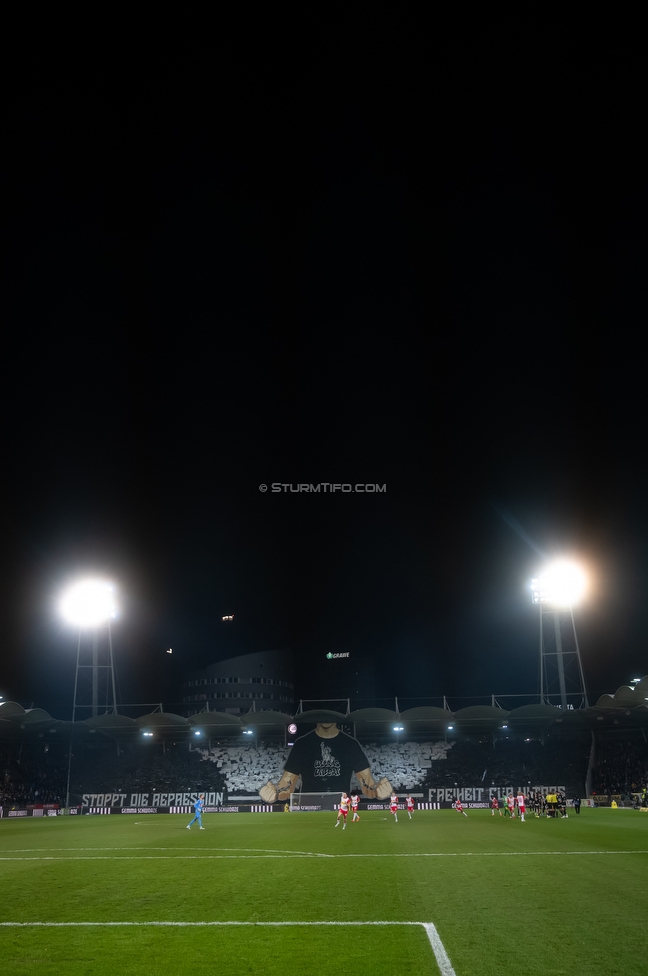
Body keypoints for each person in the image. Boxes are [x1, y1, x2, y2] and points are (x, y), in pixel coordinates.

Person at [259, 722, 392, 802]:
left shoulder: (351, 744)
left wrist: (377, 790)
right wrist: (275, 791)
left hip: (340, 806)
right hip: (309, 808)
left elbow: (367, 785)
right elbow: (287, 785)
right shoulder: (302, 744)